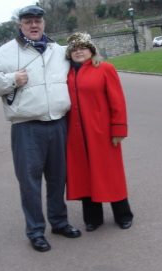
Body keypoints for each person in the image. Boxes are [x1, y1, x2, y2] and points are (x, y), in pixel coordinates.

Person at [0, 5, 81, 252]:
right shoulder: (6, 52)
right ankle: (35, 231)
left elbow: (84, 65)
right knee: (30, 182)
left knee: (58, 179)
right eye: (28, 21)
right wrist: (12, 79)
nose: (34, 25)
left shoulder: (59, 51)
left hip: (58, 124)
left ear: (44, 23)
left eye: (38, 21)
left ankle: (59, 222)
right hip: (27, 127)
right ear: (20, 25)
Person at [65, 32, 134, 232]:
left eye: (83, 48)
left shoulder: (105, 69)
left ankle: (123, 215)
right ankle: (93, 218)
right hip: (76, 134)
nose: (79, 52)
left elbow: (117, 101)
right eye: (75, 49)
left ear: (91, 50)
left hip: (102, 133)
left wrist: (118, 129)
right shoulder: (67, 74)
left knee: (110, 173)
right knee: (85, 175)